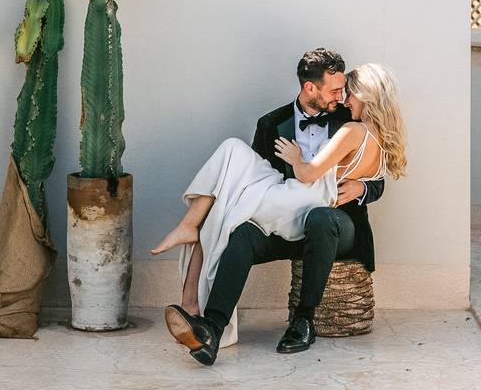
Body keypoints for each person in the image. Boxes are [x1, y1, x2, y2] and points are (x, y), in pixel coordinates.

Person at [151, 50, 407, 365]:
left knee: (224, 211)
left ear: (367, 97)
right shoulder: (273, 124)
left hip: (327, 219)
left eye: (348, 92)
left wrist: (356, 185)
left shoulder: (349, 125)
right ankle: (212, 328)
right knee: (237, 222)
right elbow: (263, 168)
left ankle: (295, 319)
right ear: (311, 87)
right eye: (338, 91)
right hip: (286, 208)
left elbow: (349, 179)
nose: (343, 99)